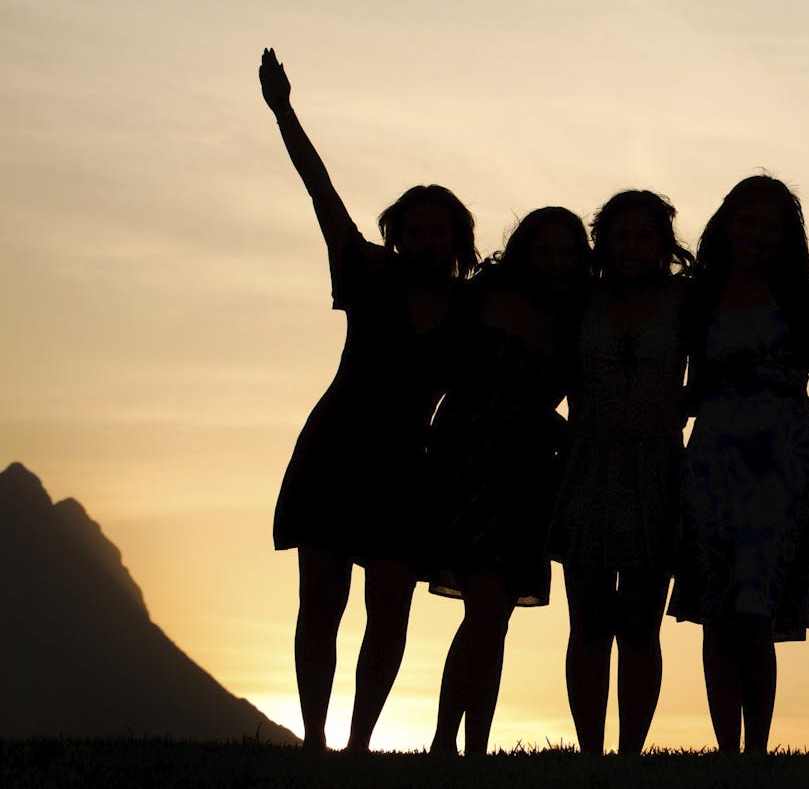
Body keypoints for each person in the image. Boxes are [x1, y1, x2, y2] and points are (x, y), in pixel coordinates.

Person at [260, 48, 478, 751]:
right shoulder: (363, 270)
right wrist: (284, 110)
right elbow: (319, 189)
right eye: (414, 228)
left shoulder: (472, 306)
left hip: (407, 464)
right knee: (320, 598)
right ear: (396, 234)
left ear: (457, 239)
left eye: (438, 229)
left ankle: (359, 741)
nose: (426, 238)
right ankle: (317, 738)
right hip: (336, 448)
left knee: (391, 601)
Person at [668, 174, 809, 754]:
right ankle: (726, 751)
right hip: (714, 452)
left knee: (755, 611)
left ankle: (757, 750)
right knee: (717, 610)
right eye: (748, 221)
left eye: (771, 225)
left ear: (784, 236)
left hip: (780, 455)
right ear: (727, 224)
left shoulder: (802, 299)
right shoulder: (698, 295)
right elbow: (682, 382)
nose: (757, 234)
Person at [426, 206, 592, 755]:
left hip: (526, 469)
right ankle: (451, 742)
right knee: (487, 605)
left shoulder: (575, 318)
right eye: (544, 250)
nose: (555, 261)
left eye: (566, 251)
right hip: (466, 456)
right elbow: (444, 364)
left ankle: (465, 747)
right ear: (524, 250)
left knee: (492, 616)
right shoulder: (483, 295)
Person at [547, 190, 693, 755]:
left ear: (662, 244)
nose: (632, 247)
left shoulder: (683, 299)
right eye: (620, 235)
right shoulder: (580, 300)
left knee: (639, 624)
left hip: (656, 467)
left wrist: (673, 410)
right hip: (586, 467)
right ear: (603, 243)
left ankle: (630, 753)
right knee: (586, 622)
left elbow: (706, 372)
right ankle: (589, 751)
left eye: (643, 236)